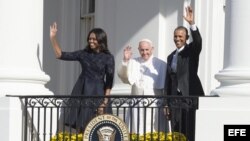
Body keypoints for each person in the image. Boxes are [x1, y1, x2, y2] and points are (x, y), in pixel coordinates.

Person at [49, 22, 115, 132]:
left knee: (101, 125)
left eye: (94, 39)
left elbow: (109, 80)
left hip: (99, 91)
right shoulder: (83, 54)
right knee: (84, 125)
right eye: (89, 39)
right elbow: (60, 55)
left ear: (101, 40)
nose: (91, 41)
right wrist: (53, 37)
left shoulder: (108, 57)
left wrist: (105, 101)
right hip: (83, 89)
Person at [165, 6, 205, 141]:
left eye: (180, 36)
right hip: (175, 100)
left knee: (191, 130)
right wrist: (167, 103)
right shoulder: (170, 57)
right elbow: (168, 81)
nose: (177, 39)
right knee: (177, 131)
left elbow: (198, 42)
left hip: (190, 97)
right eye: (175, 36)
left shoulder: (191, 52)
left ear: (186, 37)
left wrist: (192, 24)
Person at [118, 39, 168, 135]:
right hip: (136, 104)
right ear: (138, 50)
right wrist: (125, 61)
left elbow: (166, 87)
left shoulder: (161, 64)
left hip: (154, 104)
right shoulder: (133, 62)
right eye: (142, 50)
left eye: (147, 49)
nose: (144, 52)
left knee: (153, 131)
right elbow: (123, 77)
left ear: (152, 49)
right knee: (136, 130)